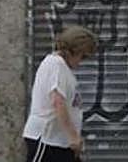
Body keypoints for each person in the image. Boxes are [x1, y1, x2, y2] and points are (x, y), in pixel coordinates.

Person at [23, 25, 97, 161]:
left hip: (61, 142)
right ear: (73, 50)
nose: (82, 61)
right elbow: (58, 102)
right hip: (47, 140)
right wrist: (73, 136)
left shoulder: (63, 68)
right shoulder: (55, 65)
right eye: (83, 56)